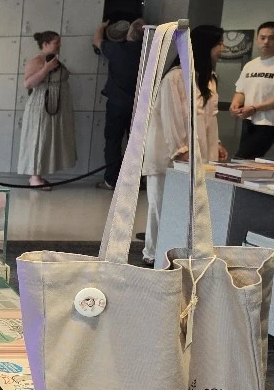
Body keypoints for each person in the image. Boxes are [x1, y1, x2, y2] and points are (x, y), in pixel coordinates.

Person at [141, 25, 228, 267]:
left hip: (198, 157)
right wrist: (181, 151)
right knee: (160, 205)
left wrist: (217, 144)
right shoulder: (175, 77)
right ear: (205, 46)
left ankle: (181, 253)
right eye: (219, 43)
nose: (222, 48)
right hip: (170, 156)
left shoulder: (209, 79)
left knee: (191, 209)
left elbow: (209, 118)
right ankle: (153, 253)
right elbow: (171, 118)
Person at [230, 22, 274, 159]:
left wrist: (256, 108)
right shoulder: (250, 65)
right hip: (249, 119)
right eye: (262, 38)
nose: (266, 42)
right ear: (257, 39)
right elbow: (241, 91)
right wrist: (235, 104)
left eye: (272, 38)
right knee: (244, 161)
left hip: (270, 122)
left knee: (242, 158)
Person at [18, 31, 76, 189]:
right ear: (45, 44)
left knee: (47, 139)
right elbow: (28, 84)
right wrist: (46, 69)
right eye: (56, 42)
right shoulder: (37, 61)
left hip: (55, 106)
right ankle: (34, 177)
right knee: (39, 137)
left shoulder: (54, 60)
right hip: (42, 106)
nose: (59, 45)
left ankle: (39, 175)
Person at [93, 18, 145, 189]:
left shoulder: (117, 49)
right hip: (139, 106)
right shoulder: (147, 52)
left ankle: (111, 180)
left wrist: (102, 27)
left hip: (116, 104)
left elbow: (97, 41)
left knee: (113, 142)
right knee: (136, 144)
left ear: (129, 33)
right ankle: (134, 181)